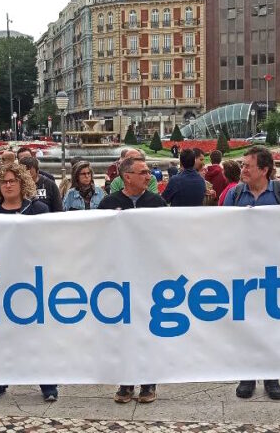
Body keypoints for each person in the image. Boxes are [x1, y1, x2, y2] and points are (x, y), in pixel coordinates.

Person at [221, 146, 280, 401]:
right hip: (243, 270)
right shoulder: (235, 194)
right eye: (243, 165)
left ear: (264, 170)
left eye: (247, 166)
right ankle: (248, 375)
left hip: (273, 270)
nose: (242, 169)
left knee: (272, 324)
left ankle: (272, 377)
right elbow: (223, 227)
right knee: (246, 324)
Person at [0, 163, 57, 403]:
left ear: (22, 183)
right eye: (4, 181)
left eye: (13, 181)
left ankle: (47, 383)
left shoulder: (38, 209)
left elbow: (49, 239)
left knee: (37, 334)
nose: (8, 185)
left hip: (31, 281)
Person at [98, 155, 165, 403]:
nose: (149, 176)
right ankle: (125, 382)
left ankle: (148, 383)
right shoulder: (109, 203)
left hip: (148, 278)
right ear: (127, 177)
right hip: (120, 277)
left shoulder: (156, 202)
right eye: (143, 172)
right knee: (123, 331)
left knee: (147, 330)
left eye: (148, 172)